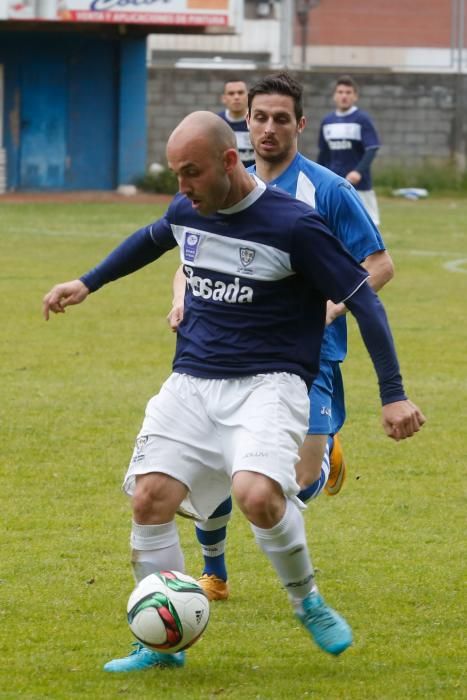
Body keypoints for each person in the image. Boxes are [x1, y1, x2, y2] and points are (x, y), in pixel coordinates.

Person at [43, 111, 425, 673]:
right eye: (176, 174)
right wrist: (86, 282)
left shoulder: (294, 226)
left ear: (228, 162)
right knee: (149, 499)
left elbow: (364, 297)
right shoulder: (189, 208)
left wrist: (393, 394)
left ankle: (307, 602)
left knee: (256, 495)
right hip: (192, 382)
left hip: (270, 384)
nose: (182, 187)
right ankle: (161, 643)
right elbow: (152, 239)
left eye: (191, 173)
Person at [168, 73, 393, 603]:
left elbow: (378, 266)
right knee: (219, 469)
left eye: (281, 119)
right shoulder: (227, 184)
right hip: (227, 352)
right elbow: (188, 252)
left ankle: (327, 451)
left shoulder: (328, 191)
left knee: (294, 478)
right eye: (260, 117)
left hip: (307, 356)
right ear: (246, 122)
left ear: (300, 125)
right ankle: (215, 572)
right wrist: (179, 295)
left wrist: (331, 308)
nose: (268, 129)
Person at [318, 75, 381, 226]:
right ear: (334, 96)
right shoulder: (327, 122)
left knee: (369, 225)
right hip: (334, 184)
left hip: (360, 185)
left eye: (348, 92)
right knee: (333, 225)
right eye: (340, 92)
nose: (344, 96)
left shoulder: (362, 120)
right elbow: (323, 154)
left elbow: (372, 148)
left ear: (355, 96)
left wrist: (358, 171)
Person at [218, 78, 255, 168]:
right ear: (224, 98)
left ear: (248, 96)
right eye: (231, 93)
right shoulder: (217, 123)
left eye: (240, 92)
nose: (236, 97)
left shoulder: (259, 120)